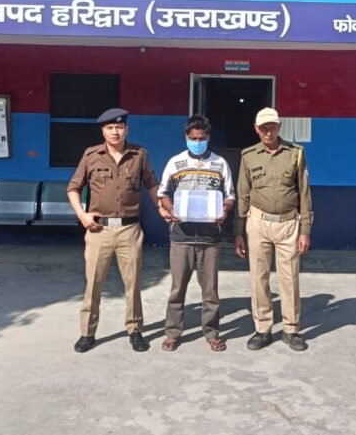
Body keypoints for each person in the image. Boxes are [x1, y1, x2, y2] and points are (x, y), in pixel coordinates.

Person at [67, 108, 159, 353]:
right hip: (99, 231)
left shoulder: (139, 154)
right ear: (103, 131)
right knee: (93, 284)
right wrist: (82, 215)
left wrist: (163, 208)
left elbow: (151, 184)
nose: (115, 132)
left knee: (133, 284)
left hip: (129, 230)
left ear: (126, 129)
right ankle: (87, 333)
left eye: (119, 127)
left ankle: (135, 330)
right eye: (109, 128)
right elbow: (73, 188)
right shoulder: (91, 155)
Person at [234, 107, 313, 352]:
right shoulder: (248, 156)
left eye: (272, 127)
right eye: (263, 128)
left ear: (279, 127)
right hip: (257, 223)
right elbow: (243, 195)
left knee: (290, 278)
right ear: (256, 129)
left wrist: (305, 229)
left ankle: (291, 329)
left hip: (288, 224)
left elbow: (304, 194)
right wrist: (238, 232)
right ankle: (263, 328)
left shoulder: (295, 153)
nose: (268, 132)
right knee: (259, 277)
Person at [157, 115, 236, 353]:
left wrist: (224, 210)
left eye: (202, 138)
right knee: (177, 289)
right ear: (186, 137)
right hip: (181, 236)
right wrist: (170, 208)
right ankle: (172, 333)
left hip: (210, 238)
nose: (198, 142)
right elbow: (163, 192)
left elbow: (230, 195)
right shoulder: (175, 162)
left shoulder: (220, 163)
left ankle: (212, 333)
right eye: (193, 138)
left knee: (210, 291)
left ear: (208, 138)